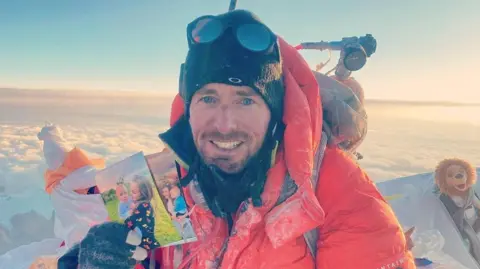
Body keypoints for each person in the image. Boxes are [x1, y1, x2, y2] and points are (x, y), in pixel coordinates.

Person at [59, 10, 414, 269]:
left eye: (246, 99)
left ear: (275, 110)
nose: (224, 125)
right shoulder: (155, 187)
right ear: (188, 108)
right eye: (208, 99)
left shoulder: (345, 203)